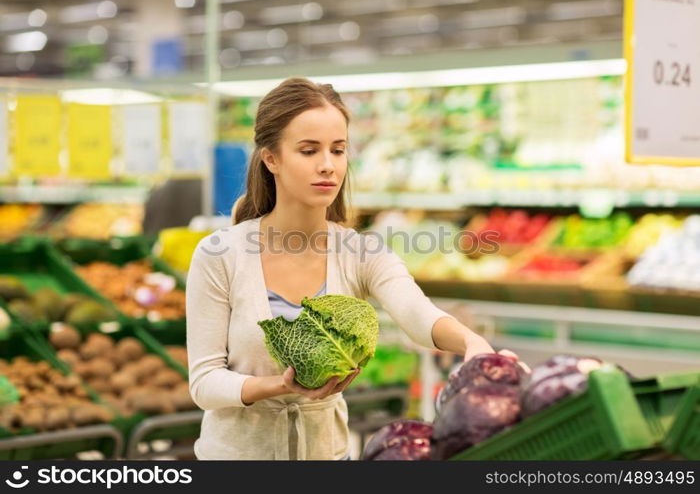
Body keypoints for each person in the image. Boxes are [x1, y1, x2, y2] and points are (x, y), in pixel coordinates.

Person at [185, 77, 526, 460]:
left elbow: (417, 312)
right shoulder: (220, 254)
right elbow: (205, 382)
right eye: (309, 151)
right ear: (271, 158)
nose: (328, 166)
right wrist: (277, 386)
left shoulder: (359, 252)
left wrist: (472, 343)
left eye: (338, 150)